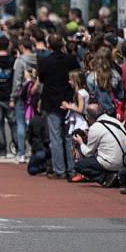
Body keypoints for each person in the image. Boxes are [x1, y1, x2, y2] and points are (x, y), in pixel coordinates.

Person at [38, 34, 80, 179]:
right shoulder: (71, 60)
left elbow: (41, 78)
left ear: (49, 45)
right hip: (68, 101)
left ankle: (60, 170)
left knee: (55, 137)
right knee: (69, 136)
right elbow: (77, 76)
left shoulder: (45, 61)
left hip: (51, 101)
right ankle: (72, 169)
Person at [73, 104, 126, 186]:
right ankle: (114, 176)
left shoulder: (95, 127)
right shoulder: (115, 121)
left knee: (79, 165)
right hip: (125, 160)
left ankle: (105, 178)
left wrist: (81, 142)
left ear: (89, 116)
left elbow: (88, 153)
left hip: (111, 162)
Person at [0, 35, 17, 158]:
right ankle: (17, 147)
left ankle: (2, 150)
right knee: (13, 124)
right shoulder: (13, 60)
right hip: (9, 95)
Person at [11, 38, 37, 163]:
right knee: (32, 122)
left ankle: (21, 152)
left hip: (22, 94)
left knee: (20, 123)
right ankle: (33, 150)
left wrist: (12, 96)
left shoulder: (20, 61)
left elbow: (16, 81)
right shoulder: (37, 59)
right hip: (35, 93)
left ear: (21, 47)